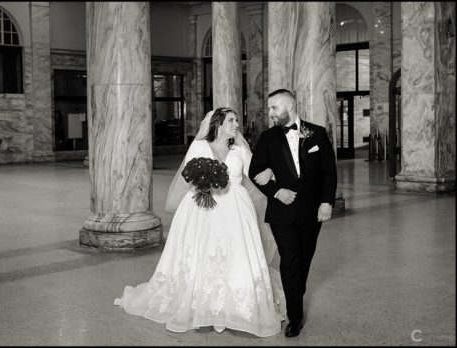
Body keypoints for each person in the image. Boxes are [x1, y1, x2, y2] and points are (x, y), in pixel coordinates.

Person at [114, 107, 286, 337]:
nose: (236, 124)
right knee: (200, 252)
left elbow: (256, 174)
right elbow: (188, 177)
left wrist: (272, 176)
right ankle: (199, 303)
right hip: (201, 207)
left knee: (235, 254)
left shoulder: (240, 150)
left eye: (236, 120)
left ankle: (233, 306)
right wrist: (203, 183)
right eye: (231, 120)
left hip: (235, 209)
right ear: (217, 124)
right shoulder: (199, 147)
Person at [248, 89, 337, 337]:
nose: (270, 113)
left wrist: (326, 202)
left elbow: (329, 172)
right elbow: (254, 170)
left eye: (274, 107)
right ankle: (294, 317)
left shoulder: (316, 133)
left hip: (312, 211)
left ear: (291, 104)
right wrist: (276, 191)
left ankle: (295, 295)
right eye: (269, 108)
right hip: (282, 213)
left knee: (305, 259)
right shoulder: (268, 138)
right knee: (290, 261)